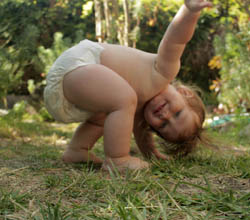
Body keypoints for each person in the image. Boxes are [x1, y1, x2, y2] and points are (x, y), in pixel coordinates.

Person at [44, 0, 212, 171]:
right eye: (177, 113)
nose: (165, 115)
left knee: (105, 116)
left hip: (70, 92)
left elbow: (141, 135)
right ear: (184, 93)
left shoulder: (135, 110)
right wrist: (190, 11)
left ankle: (77, 150)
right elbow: (176, 42)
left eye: (163, 125)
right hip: (78, 65)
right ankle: (117, 159)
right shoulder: (164, 71)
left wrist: (151, 153)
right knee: (124, 99)